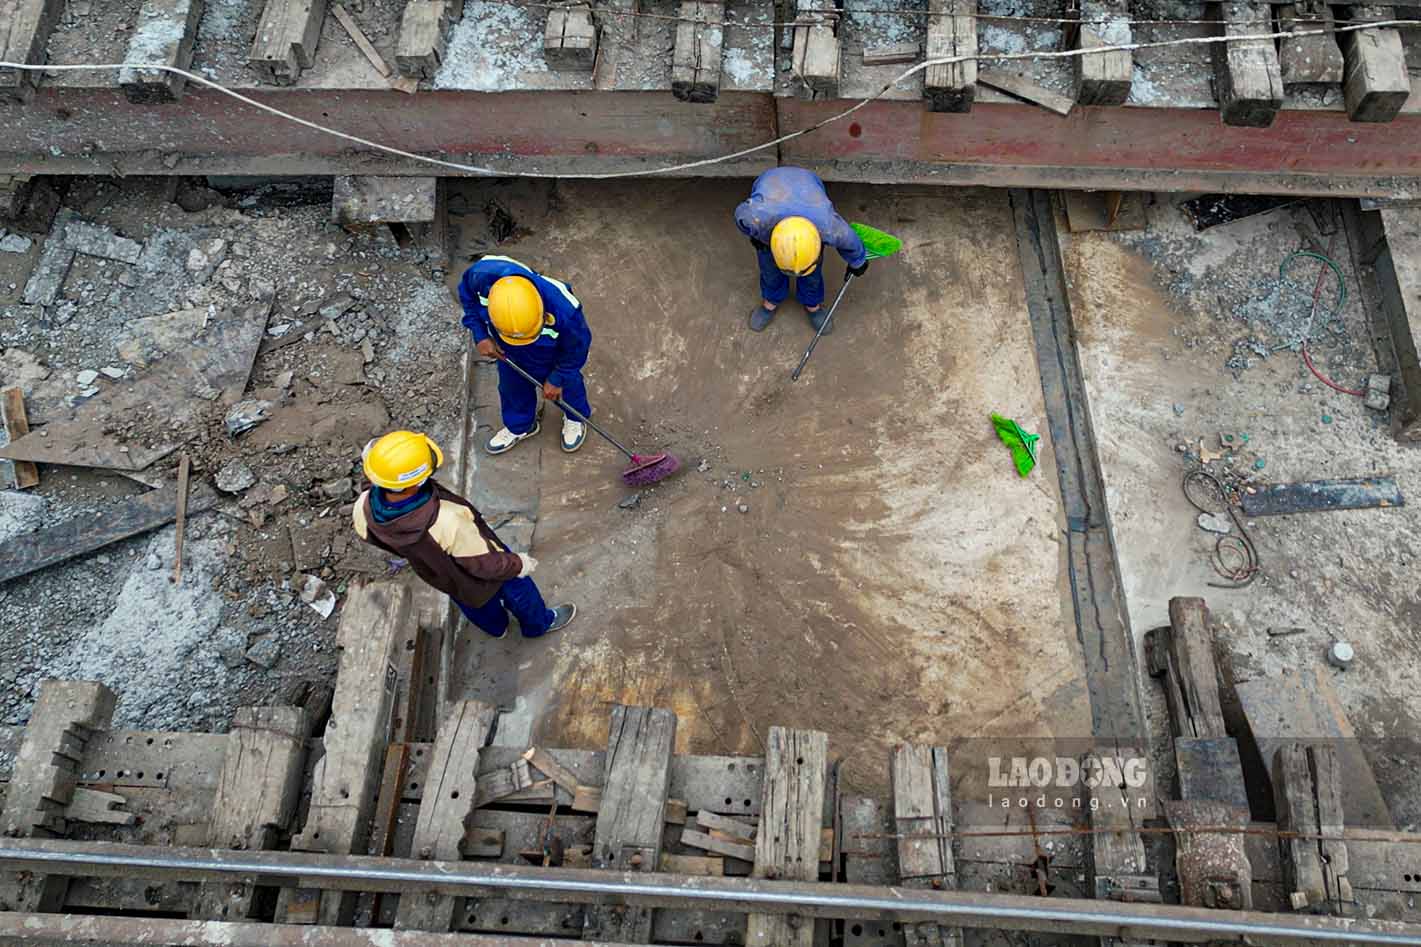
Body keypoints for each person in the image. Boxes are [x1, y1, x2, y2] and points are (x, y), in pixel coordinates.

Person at [352, 430, 576, 639]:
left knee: (474, 605)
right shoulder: (446, 520)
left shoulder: (363, 510)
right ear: (417, 481)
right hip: (483, 570)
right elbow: (485, 564)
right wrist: (518, 564)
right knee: (519, 591)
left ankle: (497, 629)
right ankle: (539, 625)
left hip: (442, 575)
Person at [457, 255, 592, 455]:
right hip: (506, 350)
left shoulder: (565, 309)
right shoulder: (479, 277)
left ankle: (574, 417)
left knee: (568, 385)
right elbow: (468, 301)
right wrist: (481, 335)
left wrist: (557, 378)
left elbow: (576, 349)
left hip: (550, 352)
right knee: (512, 387)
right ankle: (521, 426)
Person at [734, 166, 869, 335]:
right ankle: (771, 300)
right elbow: (740, 215)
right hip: (771, 181)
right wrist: (755, 236)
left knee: (811, 274)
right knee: (769, 269)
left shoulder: (828, 226)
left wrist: (858, 261)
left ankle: (812, 304)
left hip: (808, 183)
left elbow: (850, 241)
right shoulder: (756, 218)